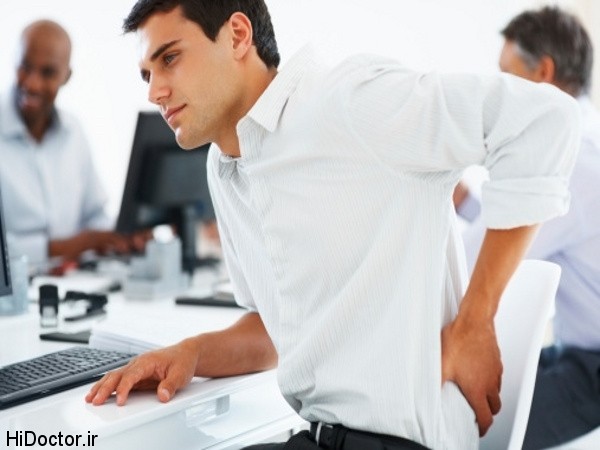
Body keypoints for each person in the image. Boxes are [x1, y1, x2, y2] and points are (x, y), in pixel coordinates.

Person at [85, 1, 581, 448]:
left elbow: (546, 120)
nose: (155, 91)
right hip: (319, 436)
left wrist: (475, 323)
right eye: (146, 74)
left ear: (237, 35)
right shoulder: (227, 167)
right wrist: (191, 353)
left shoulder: (350, 101)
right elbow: (276, 332)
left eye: (170, 58)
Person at [455, 6, 600, 449]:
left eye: (506, 75)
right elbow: (522, 229)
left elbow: (472, 259)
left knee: (466, 422)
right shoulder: (586, 140)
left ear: (543, 73)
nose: (499, 91)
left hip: (592, 370)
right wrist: (464, 202)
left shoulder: (570, 160)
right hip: (578, 352)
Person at [0, 20, 136, 273]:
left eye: (48, 72)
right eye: (25, 67)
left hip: (72, 280)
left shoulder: (74, 132)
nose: (32, 84)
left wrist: (119, 236)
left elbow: (95, 214)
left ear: (66, 77)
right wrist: (64, 247)